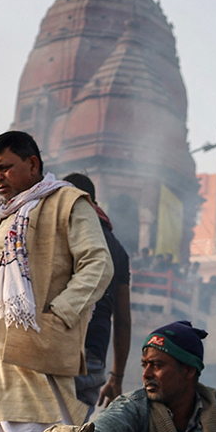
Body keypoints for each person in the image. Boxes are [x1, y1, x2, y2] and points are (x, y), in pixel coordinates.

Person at [0, 131, 113, 432]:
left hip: (28, 357)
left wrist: (62, 313)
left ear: (33, 164)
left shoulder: (66, 201)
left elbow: (98, 263)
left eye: (5, 167)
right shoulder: (8, 215)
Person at [61, 173, 134, 412]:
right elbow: (122, 320)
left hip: (60, 346)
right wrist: (117, 376)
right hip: (95, 355)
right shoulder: (118, 249)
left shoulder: (64, 230)